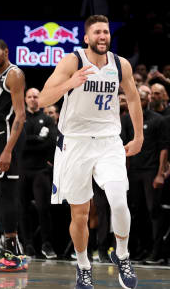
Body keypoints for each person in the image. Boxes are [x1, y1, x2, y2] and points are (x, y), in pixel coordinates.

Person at [39, 15, 142, 289]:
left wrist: (139, 136)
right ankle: (83, 266)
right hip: (75, 142)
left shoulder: (120, 64)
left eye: (105, 32)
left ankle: (122, 255)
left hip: (109, 141)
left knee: (119, 200)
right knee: (80, 213)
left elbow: (133, 98)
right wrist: (69, 83)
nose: (102, 36)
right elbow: (43, 98)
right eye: (97, 32)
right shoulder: (72, 61)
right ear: (86, 38)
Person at [0, 39, 28, 272]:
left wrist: (8, 150)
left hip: (10, 138)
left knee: (8, 196)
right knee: (2, 196)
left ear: (6, 51)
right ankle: (14, 253)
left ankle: (13, 257)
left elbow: (20, 115)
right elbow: (1, 115)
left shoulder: (14, 74)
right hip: (0, 138)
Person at [121, 85, 168, 263]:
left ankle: (157, 252)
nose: (140, 101)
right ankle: (139, 249)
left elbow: (164, 148)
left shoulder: (158, 120)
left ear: (148, 100)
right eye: (137, 98)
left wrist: (160, 174)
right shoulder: (126, 120)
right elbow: (123, 146)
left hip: (151, 171)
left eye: (143, 98)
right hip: (133, 171)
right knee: (136, 211)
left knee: (153, 211)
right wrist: (123, 173)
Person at [20, 88, 58, 259]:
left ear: (40, 98)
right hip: (22, 169)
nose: (33, 99)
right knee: (23, 208)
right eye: (29, 96)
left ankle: (46, 244)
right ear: (25, 99)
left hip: (41, 170)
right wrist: (36, 139)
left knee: (44, 208)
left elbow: (49, 142)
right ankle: (27, 244)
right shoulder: (20, 118)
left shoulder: (47, 119)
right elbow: (19, 143)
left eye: (35, 96)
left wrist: (30, 140)